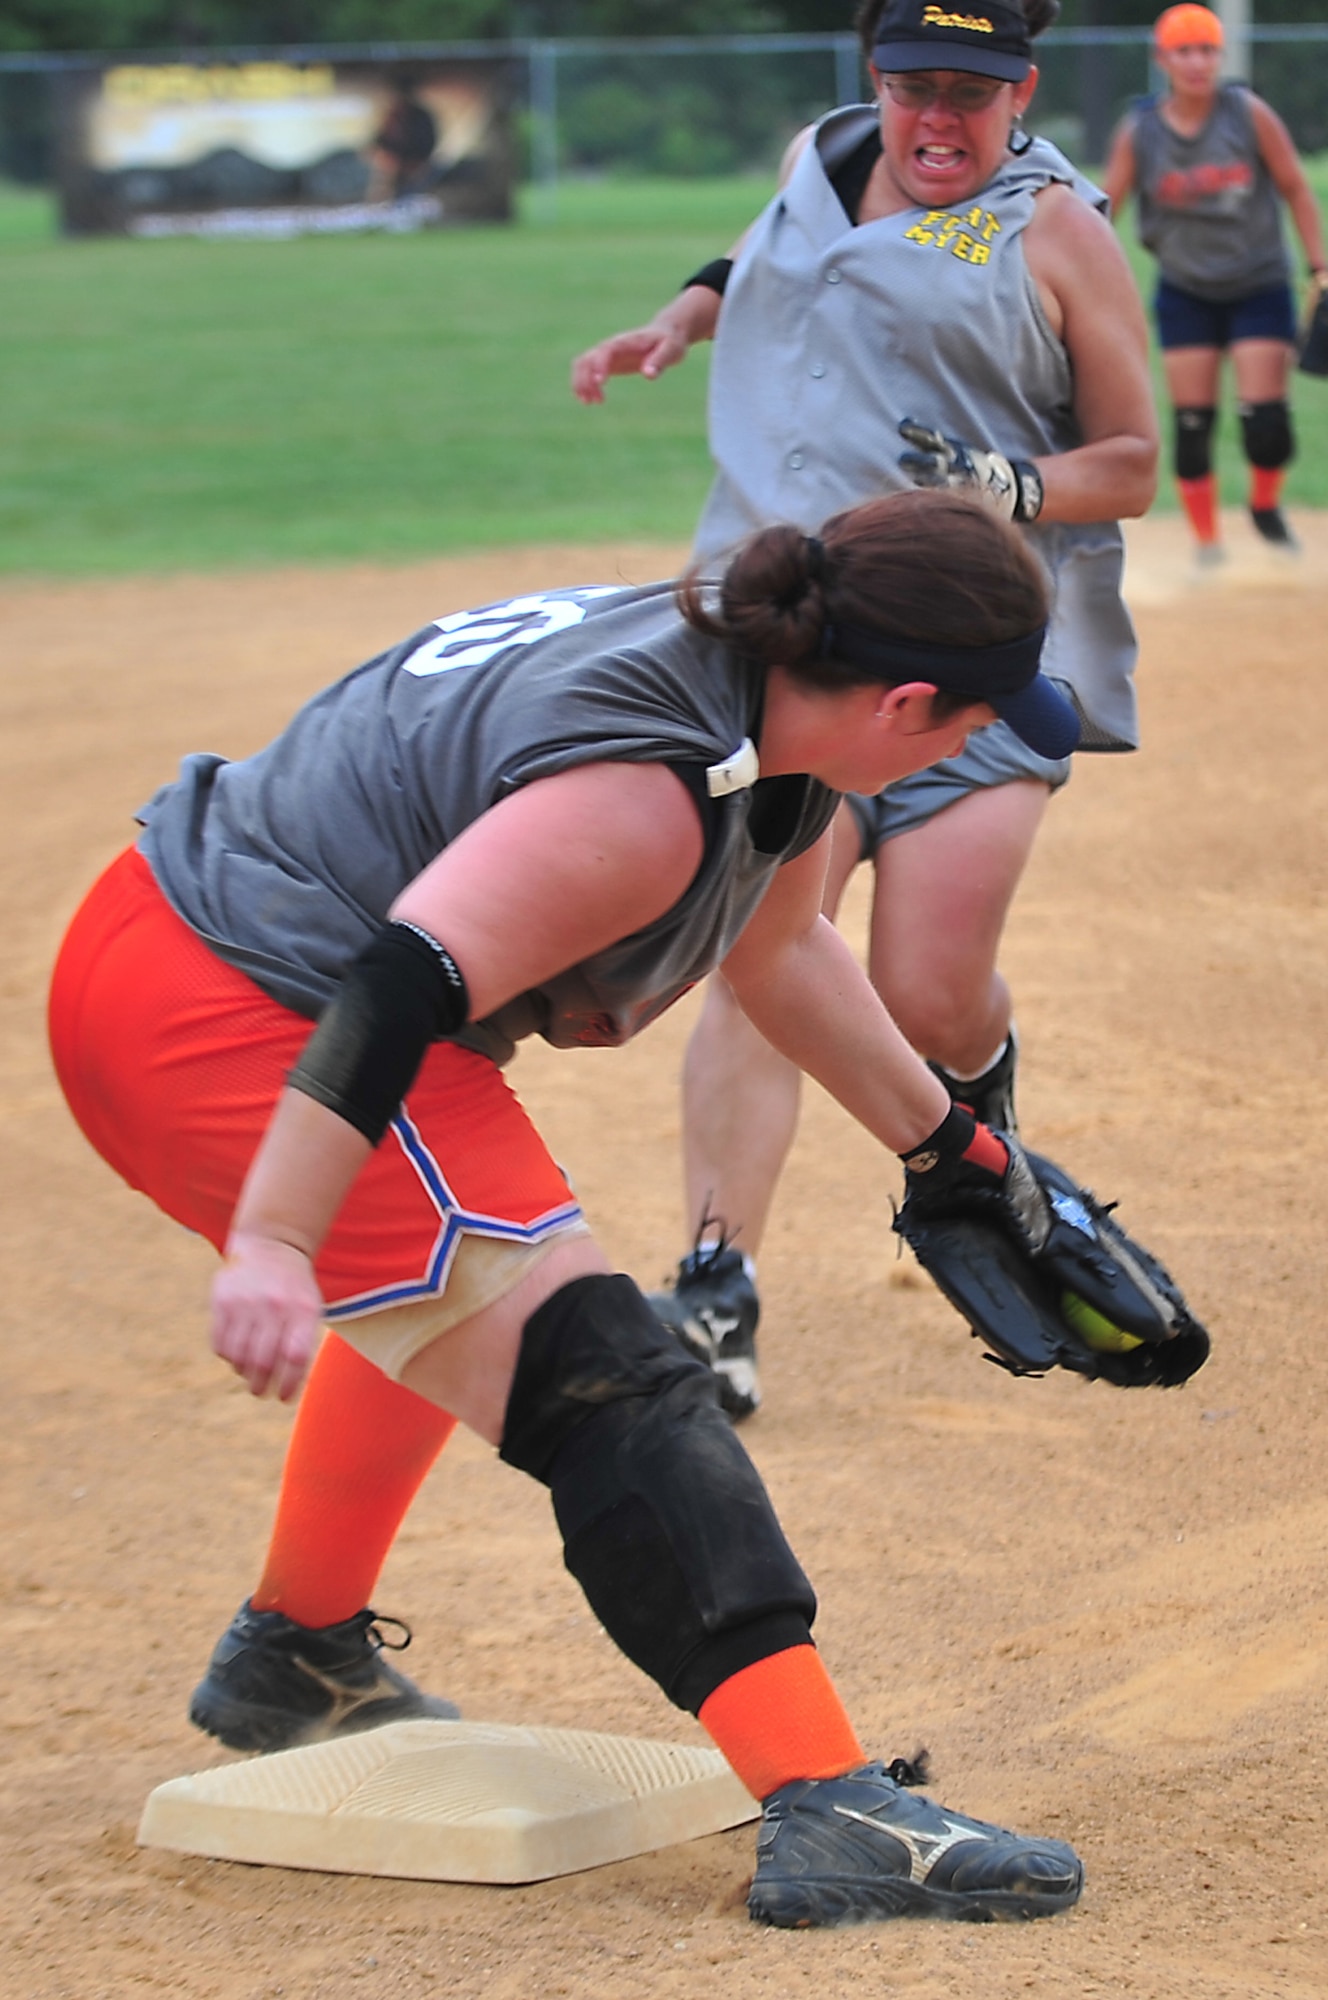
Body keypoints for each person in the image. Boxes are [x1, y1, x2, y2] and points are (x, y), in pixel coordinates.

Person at [49, 490, 1086, 1928]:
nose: (987, 737)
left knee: (449, 1279)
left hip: (179, 940)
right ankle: (827, 1798)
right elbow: (402, 980)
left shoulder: (762, 689)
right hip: (235, 1013)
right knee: (603, 1374)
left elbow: (782, 956)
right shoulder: (649, 791)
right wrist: (278, 1240)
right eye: (978, 717)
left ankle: (295, 1647)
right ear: (904, 702)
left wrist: (953, 1149)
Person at [571, 0, 1157, 1420]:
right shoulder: (818, 155)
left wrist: (1006, 485)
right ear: (872, 81)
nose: (938, 121)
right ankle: (713, 1285)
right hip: (800, 656)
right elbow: (780, 253)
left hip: (978, 658)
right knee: (765, 959)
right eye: (913, 88)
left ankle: (982, 1104)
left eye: (973, 90)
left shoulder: (1055, 228)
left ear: (1024, 90)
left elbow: (1131, 458)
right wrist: (682, 316)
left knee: (918, 999)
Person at [1103, 3, 1327, 565]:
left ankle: (1265, 505)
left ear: (1219, 56)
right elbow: (1103, 213)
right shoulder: (1142, 132)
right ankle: (1206, 543)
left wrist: (1320, 266)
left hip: (1258, 284)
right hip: (1186, 291)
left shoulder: (1245, 113)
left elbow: (1297, 188)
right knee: (1193, 425)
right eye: (1185, 50)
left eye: (1207, 49)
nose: (1198, 62)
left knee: (1266, 423)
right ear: (1162, 59)